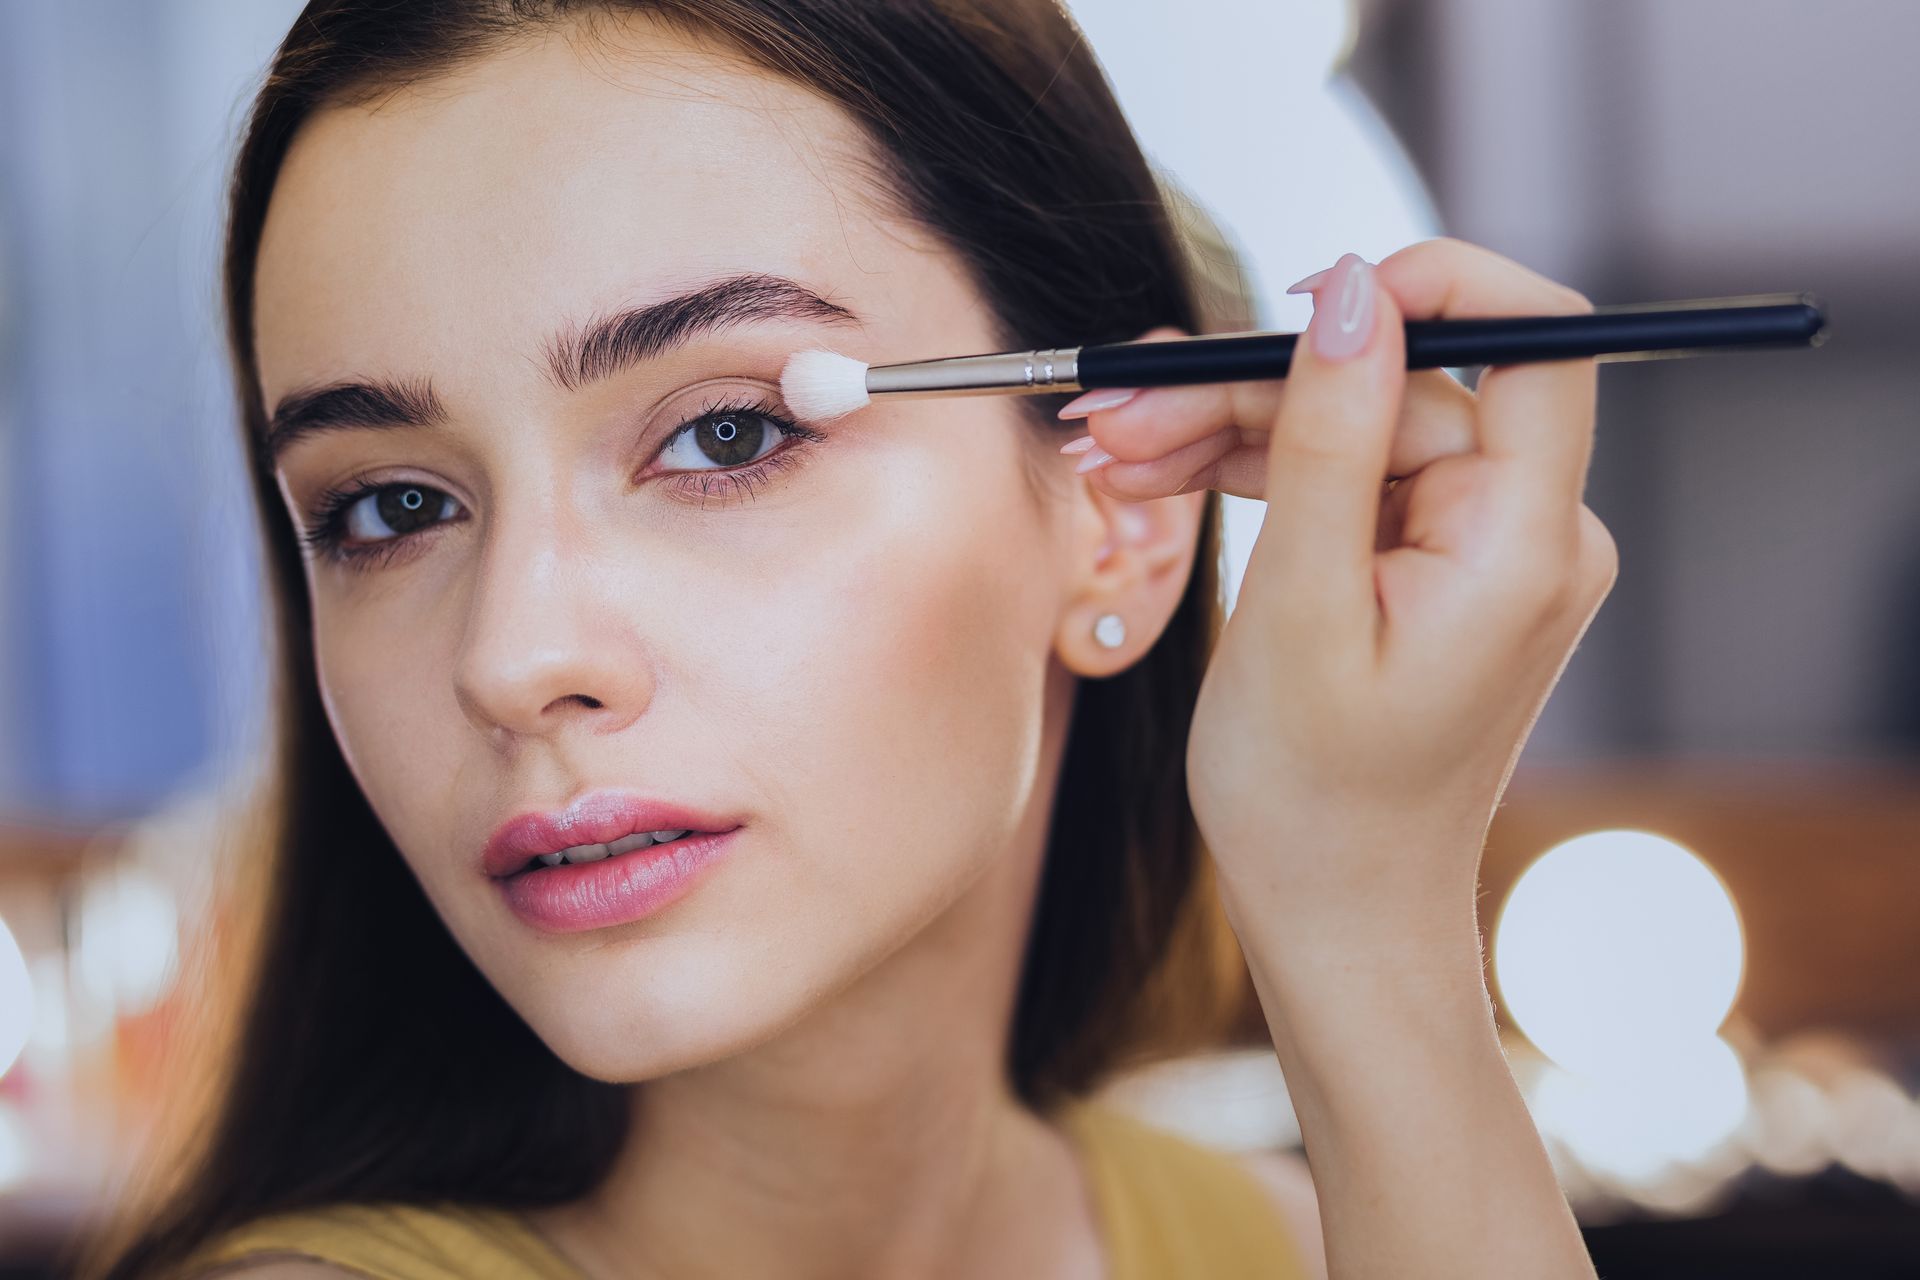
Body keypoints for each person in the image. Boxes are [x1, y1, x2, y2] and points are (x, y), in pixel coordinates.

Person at [78, 2, 1614, 1278]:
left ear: (1123, 516)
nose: (511, 653)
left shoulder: (1295, 1250)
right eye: (390, 507)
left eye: (728, 431)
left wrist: (1366, 911)